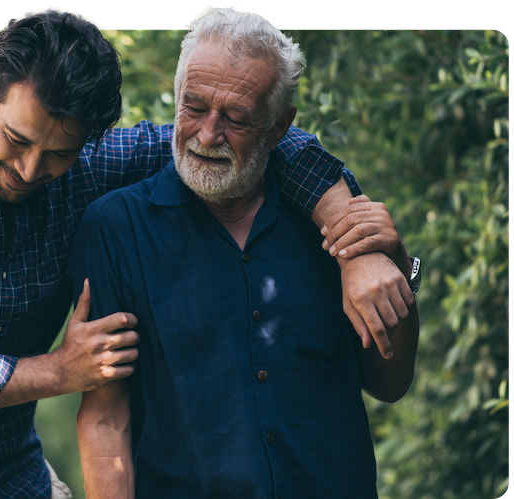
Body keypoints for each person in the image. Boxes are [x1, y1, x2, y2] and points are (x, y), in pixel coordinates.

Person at [0, 8, 412, 499]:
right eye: (17, 139)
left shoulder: (87, 166)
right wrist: (58, 372)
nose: (31, 169)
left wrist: (351, 238)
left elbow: (264, 141)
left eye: (57, 153)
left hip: (1, 481)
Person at [69, 8, 420, 498]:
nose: (208, 135)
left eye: (236, 119)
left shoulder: (333, 222)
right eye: (193, 108)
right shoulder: (116, 227)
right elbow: (107, 414)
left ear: (279, 128)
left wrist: (395, 267)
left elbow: (390, 384)